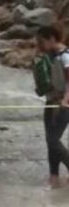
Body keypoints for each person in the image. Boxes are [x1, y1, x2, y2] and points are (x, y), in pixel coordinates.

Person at [35, 25, 69, 188]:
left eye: (41, 41)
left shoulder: (65, 56)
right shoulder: (50, 56)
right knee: (50, 141)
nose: (39, 46)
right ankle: (54, 176)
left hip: (63, 104)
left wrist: (65, 101)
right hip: (51, 101)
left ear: (52, 39)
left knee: (53, 139)